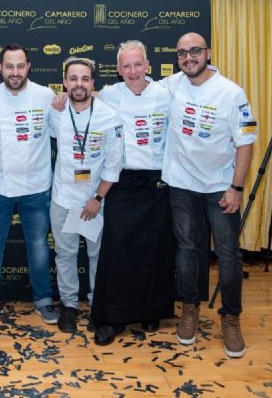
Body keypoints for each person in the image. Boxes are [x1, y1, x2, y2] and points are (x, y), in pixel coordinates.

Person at [161, 32, 257, 358]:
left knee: (229, 256)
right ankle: (190, 309)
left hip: (220, 187)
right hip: (182, 185)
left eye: (195, 51)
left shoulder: (232, 93)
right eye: (182, 53)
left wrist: (237, 187)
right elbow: (133, 92)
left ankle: (231, 318)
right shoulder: (171, 86)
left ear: (208, 53)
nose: (189, 58)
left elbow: (245, 143)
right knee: (188, 250)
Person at [91, 41, 176, 346]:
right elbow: (84, 96)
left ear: (148, 65)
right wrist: (61, 99)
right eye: (126, 66)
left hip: (156, 183)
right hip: (123, 181)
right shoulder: (112, 93)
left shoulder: (166, 92)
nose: (132, 71)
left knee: (154, 249)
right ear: (118, 70)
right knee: (116, 251)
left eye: (137, 64)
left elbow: (201, 82)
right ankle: (111, 317)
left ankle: (150, 311)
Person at [0, 44, 58, 329]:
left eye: (20, 66)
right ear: (0, 68)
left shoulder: (45, 96)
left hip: (36, 186)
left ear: (28, 66)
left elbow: (65, 126)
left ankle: (44, 299)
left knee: (38, 246)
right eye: (9, 66)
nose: (15, 72)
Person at [49, 57, 123, 333]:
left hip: (95, 199)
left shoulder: (108, 115)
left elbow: (115, 163)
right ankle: (69, 306)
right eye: (73, 79)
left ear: (93, 83)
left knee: (97, 255)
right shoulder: (54, 110)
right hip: (63, 197)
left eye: (84, 79)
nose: (78, 84)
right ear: (65, 82)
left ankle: (96, 306)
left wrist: (98, 199)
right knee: (65, 254)